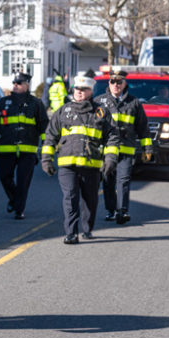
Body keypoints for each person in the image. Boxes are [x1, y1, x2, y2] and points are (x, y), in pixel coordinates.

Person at [41, 75, 119, 244]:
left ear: (91, 91)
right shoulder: (63, 111)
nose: (79, 92)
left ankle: (87, 228)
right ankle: (71, 233)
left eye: (83, 89)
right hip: (67, 165)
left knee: (90, 200)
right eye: (77, 89)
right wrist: (46, 159)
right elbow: (50, 137)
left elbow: (112, 136)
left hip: (92, 165)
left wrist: (111, 159)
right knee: (70, 197)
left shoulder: (101, 112)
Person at [0, 72, 48, 220]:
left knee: (23, 181)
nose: (15, 85)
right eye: (14, 83)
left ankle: (19, 210)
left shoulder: (36, 103)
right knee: (4, 176)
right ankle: (14, 199)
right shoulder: (3, 102)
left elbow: (43, 125)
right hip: (6, 148)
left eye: (19, 83)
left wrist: (46, 144)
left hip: (28, 149)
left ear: (27, 86)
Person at [95, 69, 153, 224]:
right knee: (108, 180)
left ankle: (122, 211)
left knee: (124, 180)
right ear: (109, 83)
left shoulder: (134, 103)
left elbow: (143, 128)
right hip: (106, 151)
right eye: (113, 82)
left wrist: (147, 148)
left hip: (126, 149)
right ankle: (111, 210)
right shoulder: (99, 102)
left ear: (125, 83)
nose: (116, 85)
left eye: (119, 82)